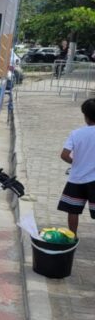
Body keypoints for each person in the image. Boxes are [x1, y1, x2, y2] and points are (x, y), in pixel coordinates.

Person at [58, 99, 95, 235]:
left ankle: (72, 236)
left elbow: (64, 155)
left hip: (77, 179)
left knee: (73, 210)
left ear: (85, 116)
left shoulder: (76, 133)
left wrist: (76, 162)